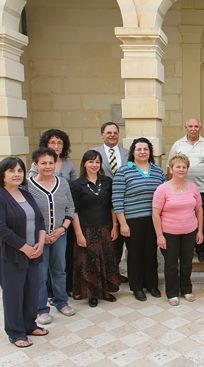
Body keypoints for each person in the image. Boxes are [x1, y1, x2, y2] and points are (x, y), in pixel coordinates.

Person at [0, 157, 48, 348]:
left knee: (31, 291)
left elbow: (40, 221)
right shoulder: (1, 196)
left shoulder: (26, 194)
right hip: (12, 255)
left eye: (20, 170)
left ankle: (29, 324)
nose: (17, 174)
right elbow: (2, 229)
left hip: (34, 252)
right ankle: (15, 332)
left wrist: (40, 243)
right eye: (12, 171)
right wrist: (25, 247)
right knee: (14, 293)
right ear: (3, 174)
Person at [112, 137, 165, 302]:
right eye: (139, 149)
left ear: (150, 152)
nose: (143, 152)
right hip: (132, 220)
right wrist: (122, 223)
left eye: (146, 149)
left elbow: (164, 195)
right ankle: (137, 287)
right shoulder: (124, 171)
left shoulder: (157, 170)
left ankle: (152, 285)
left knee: (151, 254)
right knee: (134, 255)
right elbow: (117, 199)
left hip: (153, 220)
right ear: (133, 152)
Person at [27, 148, 75, 324]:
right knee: (40, 273)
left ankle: (61, 301)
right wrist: (42, 235)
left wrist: (62, 228)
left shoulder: (62, 183)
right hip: (37, 238)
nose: (48, 166)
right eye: (43, 163)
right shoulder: (28, 185)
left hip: (60, 234)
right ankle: (41, 308)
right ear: (35, 164)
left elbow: (70, 207)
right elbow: (28, 212)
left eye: (51, 163)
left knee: (59, 269)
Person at [152, 154, 203, 306]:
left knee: (187, 262)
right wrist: (159, 235)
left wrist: (200, 231)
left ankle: (186, 289)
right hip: (169, 233)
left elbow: (199, 210)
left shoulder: (193, 187)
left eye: (184, 167)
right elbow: (155, 213)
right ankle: (172, 293)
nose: (181, 169)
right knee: (171, 264)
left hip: (189, 231)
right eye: (178, 166)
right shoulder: (162, 189)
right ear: (171, 169)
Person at [70, 150, 119, 307]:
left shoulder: (107, 182)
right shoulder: (76, 185)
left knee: (105, 259)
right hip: (86, 229)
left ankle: (105, 291)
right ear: (84, 163)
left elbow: (112, 206)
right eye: (91, 161)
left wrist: (115, 226)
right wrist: (78, 233)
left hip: (105, 227)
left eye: (97, 162)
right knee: (89, 263)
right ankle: (91, 294)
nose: (94, 165)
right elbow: (74, 211)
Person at [168, 117, 204, 262]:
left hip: (203, 188)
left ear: (200, 128)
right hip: (182, 189)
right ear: (186, 127)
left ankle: (201, 249)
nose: (193, 128)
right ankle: (187, 247)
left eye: (196, 126)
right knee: (187, 218)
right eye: (190, 126)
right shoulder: (178, 144)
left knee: (202, 218)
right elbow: (170, 167)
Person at [93, 121, 129, 283]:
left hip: (123, 203)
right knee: (105, 240)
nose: (112, 135)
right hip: (102, 203)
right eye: (109, 132)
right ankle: (103, 276)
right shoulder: (94, 153)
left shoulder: (127, 153)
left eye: (115, 132)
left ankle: (114, 273)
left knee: (118, 242)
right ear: (102, 135)